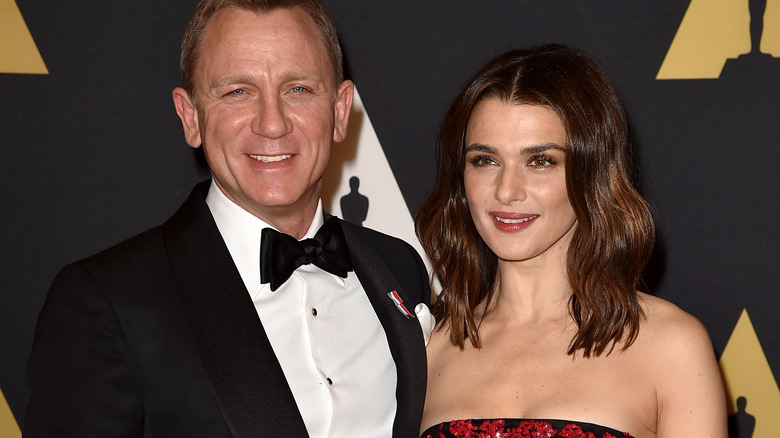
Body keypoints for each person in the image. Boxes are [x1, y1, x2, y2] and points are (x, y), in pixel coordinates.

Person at [24, 0, 431, 436]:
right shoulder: (107, 304)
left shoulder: (399, 267)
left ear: (338, 110)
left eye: (298, 89)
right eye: (238, 91)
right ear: (191, 117)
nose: (272, 124)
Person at [415, 44, 727, 438]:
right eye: (485, 160)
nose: (507, 191)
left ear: (591, 173)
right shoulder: (427, 351)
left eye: (540, 161)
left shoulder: (672, 347)